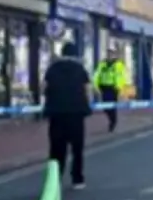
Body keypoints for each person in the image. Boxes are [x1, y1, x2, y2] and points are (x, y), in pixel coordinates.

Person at [43, 41, 92, 189]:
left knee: (56, 148)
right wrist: (86, 103)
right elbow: (87, 89)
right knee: (77, 148)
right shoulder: (80, 69)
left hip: (56, 113)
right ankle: (77, 178)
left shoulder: (52, 68)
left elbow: (43, 87)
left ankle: (55, 179)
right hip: (76, 113)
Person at [93, 47, 127, 132]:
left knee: (112, 106)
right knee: (105, 107)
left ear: (114, 55)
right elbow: (97, 75)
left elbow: (122, 76)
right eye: (108, 54)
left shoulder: (118, 64)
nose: (109, 55)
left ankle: (113, 121)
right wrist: (96, 86)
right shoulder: (102, 64)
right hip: (103, 87)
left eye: (111, 54)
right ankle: (112, 120)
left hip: (113, 88)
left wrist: (118, 87)